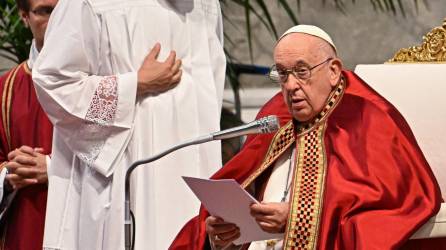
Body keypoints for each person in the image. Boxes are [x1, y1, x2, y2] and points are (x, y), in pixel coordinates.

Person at [170, 25, 444, 250]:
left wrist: (298, 218)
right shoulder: (273, 117)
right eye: (282, 73)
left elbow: (396, 209)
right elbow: (240, 196)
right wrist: (220, 237)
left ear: (334, 70)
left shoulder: (368, 118)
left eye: (302, 71)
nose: (290, 86)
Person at [32, 0, 226, 249]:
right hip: (127, 175)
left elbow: (210, 94)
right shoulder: (89, 3)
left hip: (196, 171)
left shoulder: (206, 5)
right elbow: (52, 80)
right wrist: (134, 85)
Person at [0, 0, 57, 249]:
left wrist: (52, 168)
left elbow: (116, 151)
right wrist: (9, 173)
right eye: (45, 11)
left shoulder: (100, 82)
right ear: (24, 17)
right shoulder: (5, 89)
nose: (56, 20)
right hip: (23, 228)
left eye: (61, 10)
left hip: (81, 222)